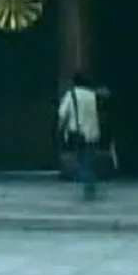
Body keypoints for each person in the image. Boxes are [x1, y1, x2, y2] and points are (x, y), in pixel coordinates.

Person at [57, 71, 101, 201]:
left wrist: (60, 129)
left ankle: (87, 181)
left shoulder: (71, 95)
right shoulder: (92, 95)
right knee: (89, 160)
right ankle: (90, 186)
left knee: (79, 161)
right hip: (93, 132)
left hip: (78, 132)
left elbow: (62, 114)